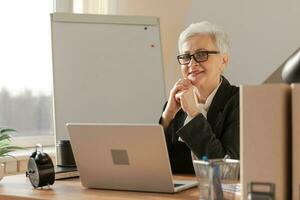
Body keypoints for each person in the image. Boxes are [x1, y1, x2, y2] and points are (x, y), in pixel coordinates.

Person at [159, 21, 239, 174]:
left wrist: (194, 114)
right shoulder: (174, 106)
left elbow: (227, 170)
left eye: (201, 55)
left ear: (223, 60)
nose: (192, 63)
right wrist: (168, 115)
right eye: (186, 56)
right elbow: (153, 164)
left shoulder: (240, 102)